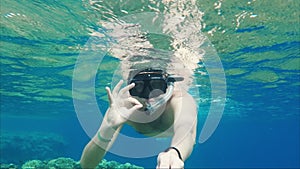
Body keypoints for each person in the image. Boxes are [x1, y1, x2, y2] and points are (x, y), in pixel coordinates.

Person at [80, 68, 197, 169]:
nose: (148, 97)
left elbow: (187, 131)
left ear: (168, 86)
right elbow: (87, 165)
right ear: (130, 86)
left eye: (156, 86)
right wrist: (108, 127)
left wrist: (175, 152)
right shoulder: (124, 105)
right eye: (139, 87)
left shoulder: (179, 100)